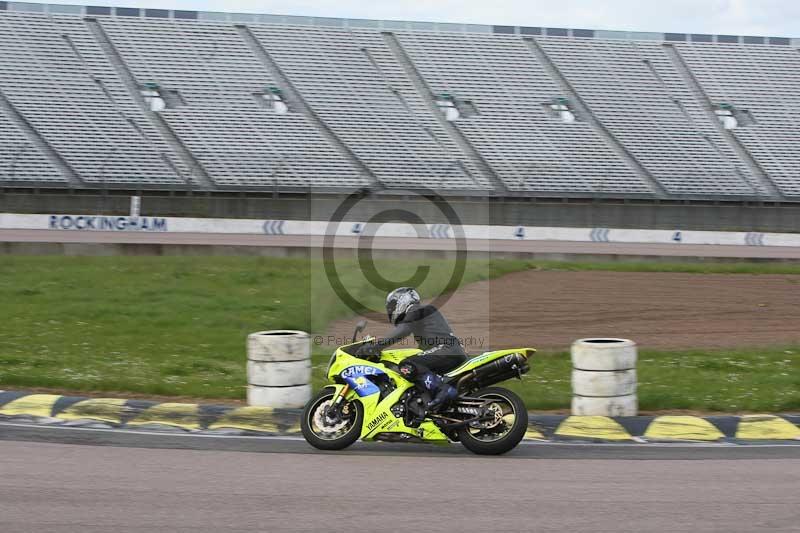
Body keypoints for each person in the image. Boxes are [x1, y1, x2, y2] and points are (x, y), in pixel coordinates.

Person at [356, 287, 467, 411]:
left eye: (393, 306)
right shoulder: (424, 315)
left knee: (407, 364)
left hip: (445, 350)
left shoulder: (416, 310)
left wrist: (375, 346)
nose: (391, 311)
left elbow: (403, 330)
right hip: (450, 351)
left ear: (403, 300)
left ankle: (443, 390)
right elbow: (423, 349)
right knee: (417, 369)